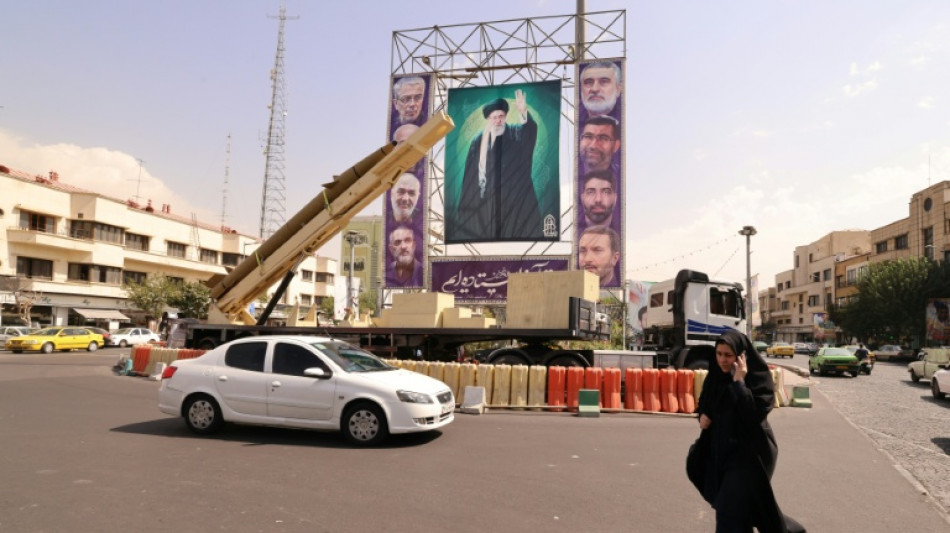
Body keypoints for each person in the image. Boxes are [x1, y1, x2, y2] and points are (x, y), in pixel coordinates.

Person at [687, 330, 806, 533]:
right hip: (721, 453)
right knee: (743, 511)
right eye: (719, 354)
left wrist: (739, 383)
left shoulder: (758, 379)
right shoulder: (715, 376)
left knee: (727, 510)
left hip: (749, 456)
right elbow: (705, 404)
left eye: (728, 355)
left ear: (741, 356)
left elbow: (752, 416)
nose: (722, 360)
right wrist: (703, 417)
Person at [455, 90, 542, 241]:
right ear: (488, 118)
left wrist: (523, 112)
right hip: (488, 199)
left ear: (506, 116)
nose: (498, 120)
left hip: (515, 197)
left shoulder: (516, 132)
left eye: (501, 116)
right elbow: (473, 172)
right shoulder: (479, 140)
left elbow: (530, 131)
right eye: (494, 117)